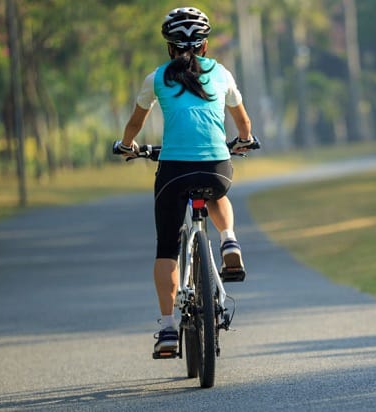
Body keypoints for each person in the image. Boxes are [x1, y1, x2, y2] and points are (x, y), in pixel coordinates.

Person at [115, 7, 256, 354]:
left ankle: (166, 329)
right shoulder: (221, 73)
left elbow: (134, 125)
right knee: (215, 189)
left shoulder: (157, 78)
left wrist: (128, 146)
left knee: (166, 246)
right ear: (205, 45)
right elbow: (244, 124)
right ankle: (229, 241)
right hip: (216, 167)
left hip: (174, 170)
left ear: (169, 47)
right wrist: (244, 141)